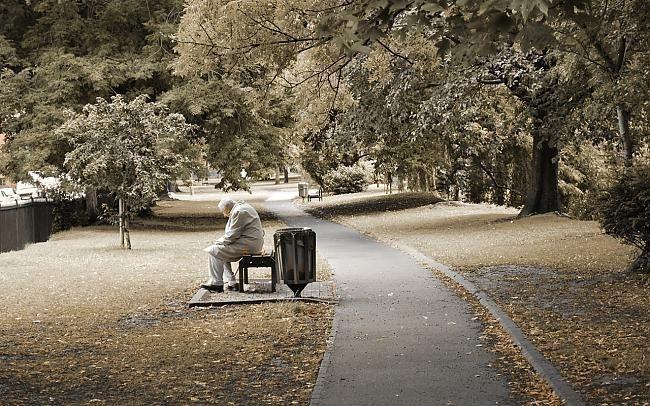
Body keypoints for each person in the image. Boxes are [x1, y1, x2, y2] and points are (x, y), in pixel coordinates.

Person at [201, 198, 264, 292]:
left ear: (227, 208)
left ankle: (216, 283)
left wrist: (217, 242)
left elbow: (232, 235)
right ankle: (231, 281)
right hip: (250, 242)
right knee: (221, 251)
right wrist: (220, 242)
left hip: (249, 244)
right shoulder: (241, 208)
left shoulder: (239, 211)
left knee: (213, 251)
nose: (223, 214)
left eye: (223, 211)